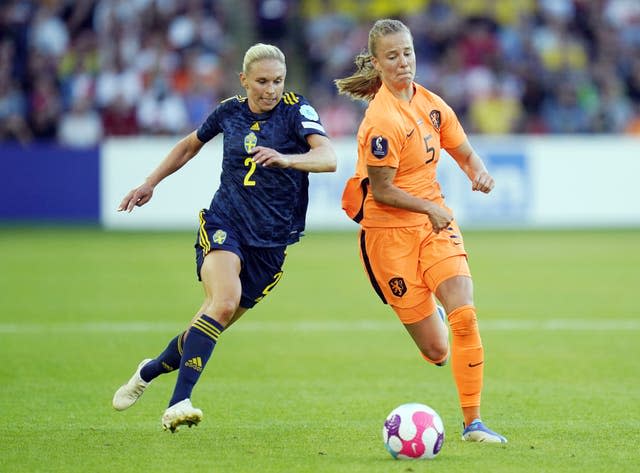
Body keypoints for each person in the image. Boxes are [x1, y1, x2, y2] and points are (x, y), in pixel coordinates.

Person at [112, 43, 337, 433]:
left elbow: (328, 158)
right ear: (244, 80)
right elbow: (188, 146)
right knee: (223, 301)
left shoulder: (297, 111)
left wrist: (287, 158)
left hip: (271, 244)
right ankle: (178, 402)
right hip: (226, 223)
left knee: (210, 323)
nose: (271, 89)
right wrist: (150, 183)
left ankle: (148, 370)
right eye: (263, 81)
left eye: (278, 81)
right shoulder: (229, 111)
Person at [335, 19, 507, 443]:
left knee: (464, 315)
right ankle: (433, 310)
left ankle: (473, 424)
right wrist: (428, 206)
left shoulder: (431, 103)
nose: (403, 62)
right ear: (376, 63)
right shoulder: (380, 121)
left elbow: (465, 153)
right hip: (387, 237)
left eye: (407, 52)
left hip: (435, 226)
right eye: (391, 56)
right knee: (437, 350)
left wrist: (478, 172)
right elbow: (383, 190)